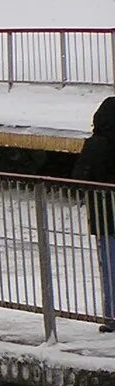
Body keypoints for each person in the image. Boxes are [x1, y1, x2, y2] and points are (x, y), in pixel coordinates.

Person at [73, 96, 115, 332]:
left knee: (110, 266)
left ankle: (112, 316)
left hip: (105, 215)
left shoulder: (96, 144)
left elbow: (80, 176)